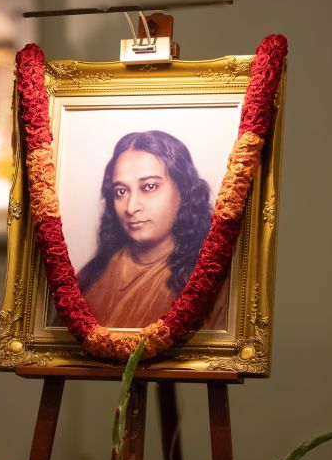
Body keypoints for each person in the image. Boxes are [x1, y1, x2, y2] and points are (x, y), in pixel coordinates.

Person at [77, 129, 227, 329]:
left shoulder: (209, 280)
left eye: (149, 187)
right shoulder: (91, 275)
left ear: (183, 190)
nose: (131, 207)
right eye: (121, 191)